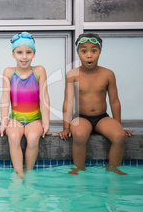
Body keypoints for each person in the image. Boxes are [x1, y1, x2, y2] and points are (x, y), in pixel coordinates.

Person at [57, 33, 134, 175]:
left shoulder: (108, 74)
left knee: (119, 136)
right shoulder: (72, 74)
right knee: (79, 134)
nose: (89, 55)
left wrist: (118, 125)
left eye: (94, 50)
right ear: (78, 54)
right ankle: (79, 169)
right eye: (84, 51)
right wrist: (66, 127)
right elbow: (68, 102)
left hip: (102, 118)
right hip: (81, 117)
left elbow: (114, 101)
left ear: (99, 52)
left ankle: (113, 169)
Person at [0, 32, 50, 179]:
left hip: (34, 119)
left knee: (32, 137)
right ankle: (18, 173)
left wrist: (45, 122)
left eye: (28, 52)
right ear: (13, 54)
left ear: (34, 54)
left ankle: (29, 172)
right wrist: (3, 122)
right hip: (16, 118)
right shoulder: (8, 72)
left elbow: (44, 97)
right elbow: (5, 99)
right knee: (12, 136)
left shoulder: (39, 71)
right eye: (19, 52)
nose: (24, 57)